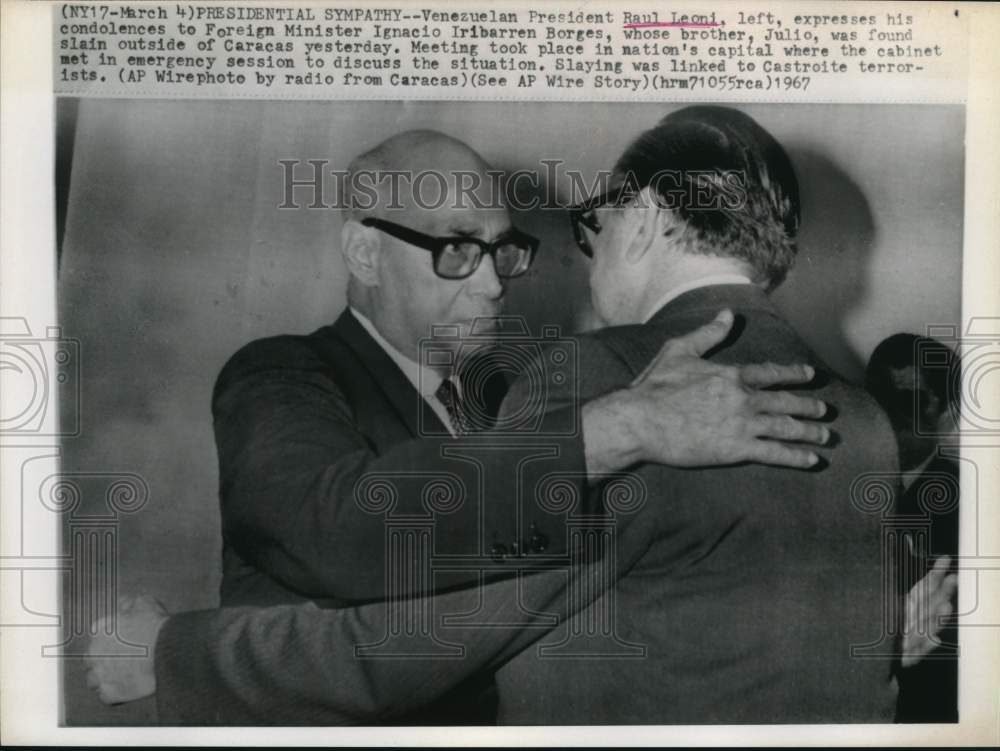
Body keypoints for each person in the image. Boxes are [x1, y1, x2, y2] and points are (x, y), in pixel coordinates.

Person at [85, 127, 834, 723]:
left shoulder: (514, 392)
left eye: (502, 249)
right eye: (454, 249)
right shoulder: (281, 375)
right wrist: (614, 431)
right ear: (363, 250)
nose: (492, 282)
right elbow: (334, 530)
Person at [489, 105, 906, 723]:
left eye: (591, 229)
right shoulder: (868, 417)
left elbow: (467, 612)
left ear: (643, 218)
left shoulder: (588, 374)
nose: (588, 258)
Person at [866, 333, 961, 722]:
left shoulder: (972, 506)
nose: (887, 416)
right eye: (877, 397)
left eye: (909, 402)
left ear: (948, 412)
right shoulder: (833, 482)